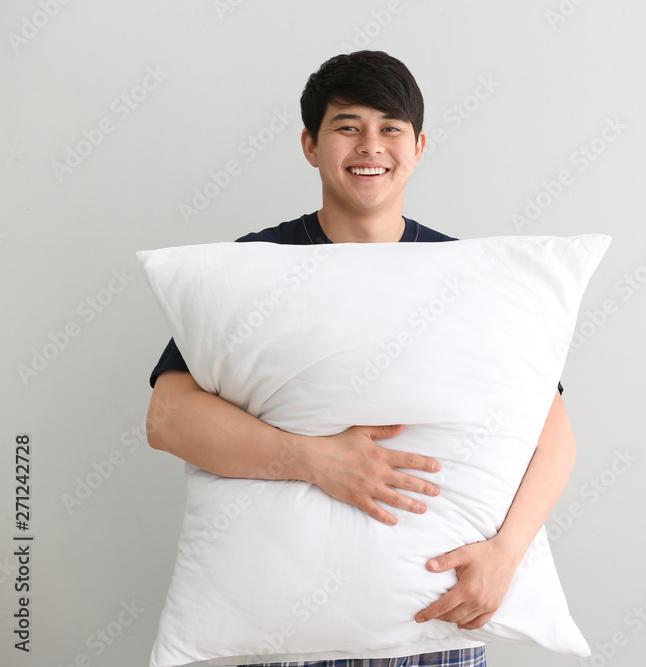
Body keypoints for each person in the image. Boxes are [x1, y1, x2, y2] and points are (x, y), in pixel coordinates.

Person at [146, 50, 577, 667]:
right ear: (310, 144)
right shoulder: (255, 266)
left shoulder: (473, 276)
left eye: (390, 128)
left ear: (419, 145)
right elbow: (167, 418)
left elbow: (554, 437)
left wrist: (506, 555)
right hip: (289, 629)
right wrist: (315, 461)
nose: (369, 145)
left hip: (438, 626)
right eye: (347, 126)